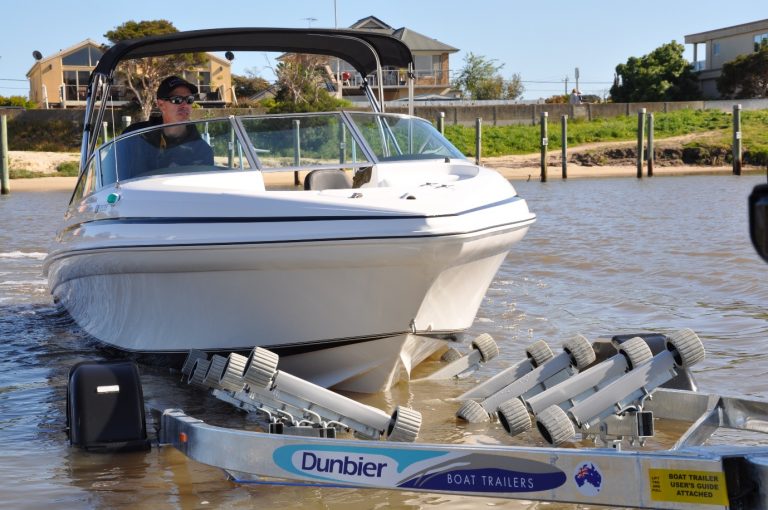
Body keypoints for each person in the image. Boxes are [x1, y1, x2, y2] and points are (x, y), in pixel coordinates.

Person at [122, 76, 214, 173]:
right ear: (161, 105)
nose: (185, 105)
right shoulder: (133, 136)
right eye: (177, 99)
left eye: (189, 99)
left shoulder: (201, 151)